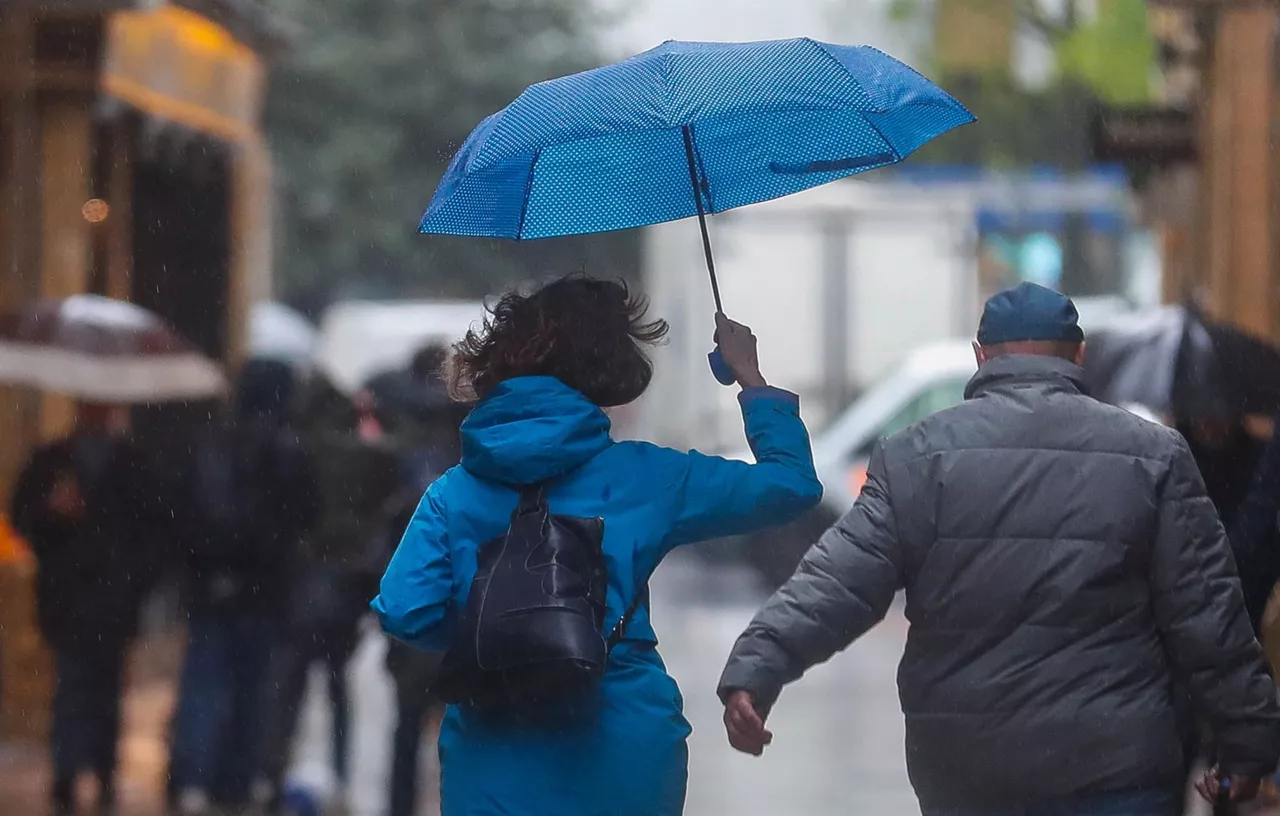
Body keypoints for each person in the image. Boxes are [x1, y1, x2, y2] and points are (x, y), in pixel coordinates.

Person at [718, 282, 1280, 816]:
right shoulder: (1153, 456)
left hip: (969, 775)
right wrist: (1249, 743)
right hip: (1114, 770)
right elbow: (1208, 616)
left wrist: (757, 669)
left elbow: (837, 583)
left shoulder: (916, 457)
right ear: (1079, 356)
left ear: (980, 355)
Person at [372, 273, 822, 816]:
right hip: (621, 744)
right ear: (609, 369)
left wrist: (502, 635)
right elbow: (791, 486)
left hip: (492, 746)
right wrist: (749, 377)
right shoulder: (648, 477)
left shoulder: (453, 492)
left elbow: (404, 610)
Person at [168, 359, 321, 816]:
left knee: (206, 685)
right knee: (252, 689)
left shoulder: (207, 444)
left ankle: (193, 777)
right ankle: (237, 778)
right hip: (263, 590)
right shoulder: (290, 449)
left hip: (212, 585)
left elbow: (184, 515)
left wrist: (205, 567)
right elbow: (305, 514)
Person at [11, 403, 165, 816]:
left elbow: (152, 532)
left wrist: (133, 578)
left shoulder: (132, 466)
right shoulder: (52, 462)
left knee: (104, 687)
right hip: (69, 596)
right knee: (73, 686)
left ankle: (101, 769)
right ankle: (68, 772)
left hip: (112, 597)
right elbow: (24, 516)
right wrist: (53, 512)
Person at [256, 375, 401, 812]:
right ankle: (337, 776)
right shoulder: (367, 455)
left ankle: (273, 773)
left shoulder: (298, 450)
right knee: (337, 688)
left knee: (289, 688)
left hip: (305, 581)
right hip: (343, 582)